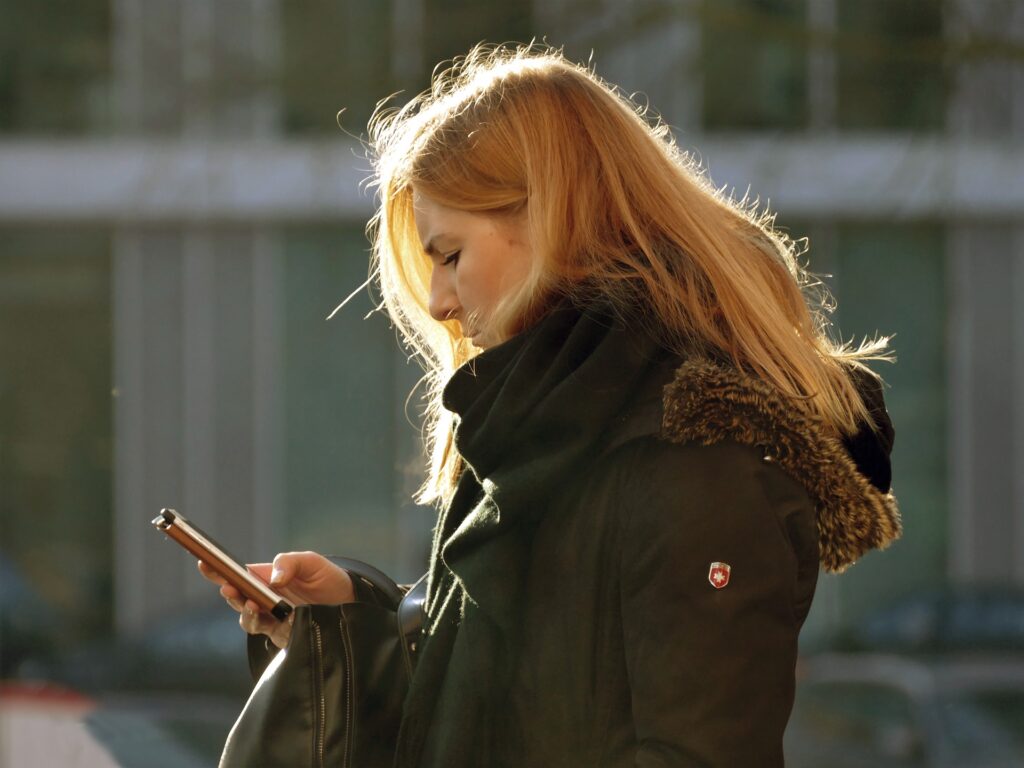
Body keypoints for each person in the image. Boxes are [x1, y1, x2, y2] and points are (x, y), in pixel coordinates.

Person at [201, 43, 900, 767]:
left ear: (549, 218)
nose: (439, 302)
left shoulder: (698, 460)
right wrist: (350, 623)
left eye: (449, 255)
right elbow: (497, 703)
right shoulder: (539, 433)